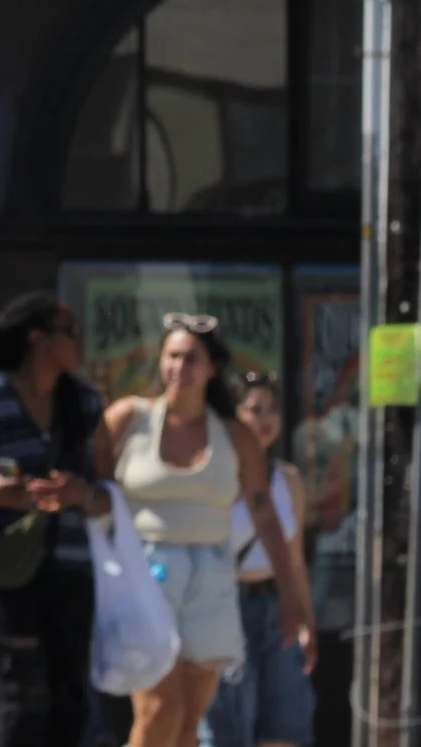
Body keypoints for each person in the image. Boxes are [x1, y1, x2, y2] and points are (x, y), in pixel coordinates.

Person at [100, 317, 312, 747]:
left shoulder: (233, 436)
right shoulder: (128, 418)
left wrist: (290, 595)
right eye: (173, 355)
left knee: (189, 720)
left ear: (212, 367)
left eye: (192, 358)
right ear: (160, 361)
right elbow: (93, 492)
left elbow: (266, 517)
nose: (181, 366)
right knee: (160, 708)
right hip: (148, 569)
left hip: (213, 576)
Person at [0, 292, 106, 747]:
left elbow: (111, 496)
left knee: (69, 707)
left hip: (69, 574)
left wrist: (78, 493)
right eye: (70, 331)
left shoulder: (85, 403)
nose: (80, 341)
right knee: (16, 707)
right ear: (37, 338)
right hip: (0, 577)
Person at [201, 372, 316, 747]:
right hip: (229, 607)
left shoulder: (289, 479)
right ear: (235, 418)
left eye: (272, 410)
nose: (264, 420)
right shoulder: (217, 476)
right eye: (254, 410)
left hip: (276, 607)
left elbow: (295, 561)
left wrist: (307, 622)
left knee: (285, 727)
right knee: (229, 730)